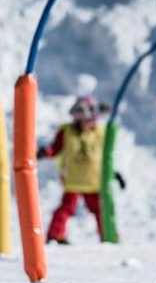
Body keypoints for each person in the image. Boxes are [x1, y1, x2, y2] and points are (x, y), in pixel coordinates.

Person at [37, 95, 125, 244]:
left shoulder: (100, 133)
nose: (86, 122)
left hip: (95, 180)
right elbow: (56, 148)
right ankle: (55, 235)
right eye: (82, 118)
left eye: (89, 119)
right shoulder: (67, 131)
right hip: (74, 179)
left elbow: (106, 156)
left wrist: (114, 174)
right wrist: (45, 152)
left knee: (100, 210)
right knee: (66, 208)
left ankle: (108, 236)